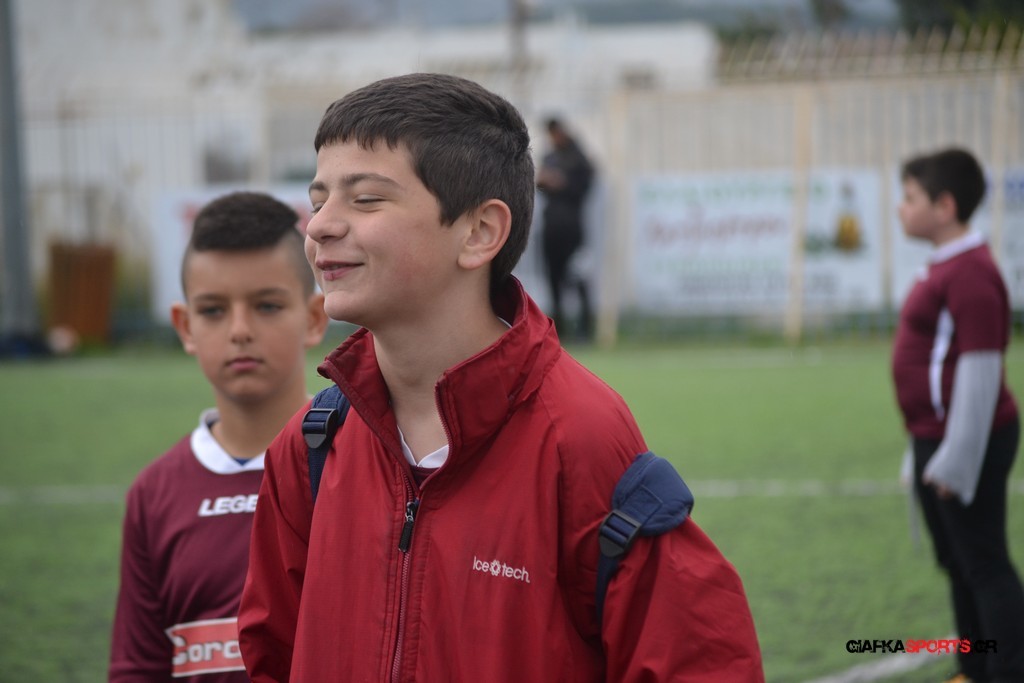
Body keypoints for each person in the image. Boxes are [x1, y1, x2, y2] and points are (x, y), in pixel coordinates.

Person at [238, 73, 763, 682]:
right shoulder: (312, 443)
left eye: (366, 199)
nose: (320, 226)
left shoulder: (580, 436)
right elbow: (271, 656)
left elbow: (696, 662)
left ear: (480, 232)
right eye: (318, 199)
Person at [109, 191, 329, 682]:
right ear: (184, 326)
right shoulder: (155, 493)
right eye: (212, 310)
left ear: (314, 318)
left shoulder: (357, 459)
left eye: (267, 305)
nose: (239, 330)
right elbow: (138, 667)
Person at [892, 147, 1024, 683]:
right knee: (958, 563)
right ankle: (975, 668)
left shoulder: (971, 272)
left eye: (910, 197)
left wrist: (959, 457)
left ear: (944, 206)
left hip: (968, 441)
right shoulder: (945, 264)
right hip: (935, 438)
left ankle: (1010, 670)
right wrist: (920, 449)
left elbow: (980, 371)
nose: (901, 208)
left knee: (984, 563)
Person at [536, 116, 595, 341]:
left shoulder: (579, 159)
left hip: (572, 229)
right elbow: (540, 186)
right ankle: (559, 329)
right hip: (552, 228)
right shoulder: (549, 157)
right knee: (554, 279)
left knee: (578, 277)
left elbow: (585, 187)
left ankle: (585, 330)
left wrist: (563, 182)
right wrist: (544, 181)